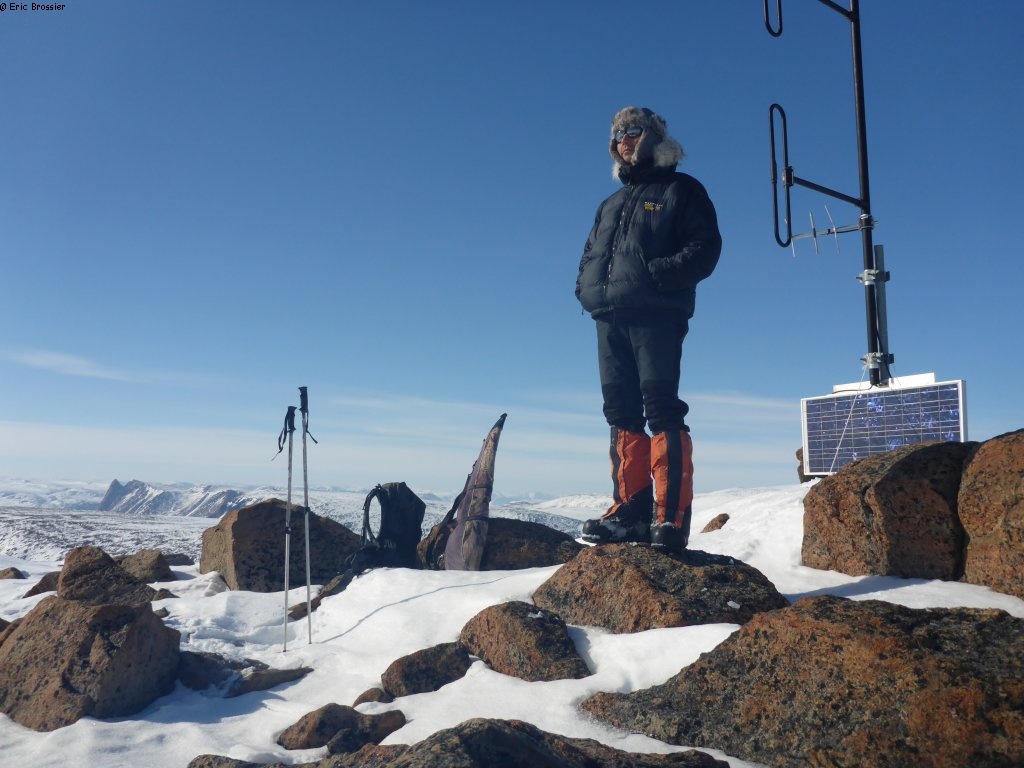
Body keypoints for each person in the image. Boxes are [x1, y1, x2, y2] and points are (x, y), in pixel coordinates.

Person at [576, 106, 721, 552]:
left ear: (653, 137)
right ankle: (630, 512)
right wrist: (585, 288)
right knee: (620, 411)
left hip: (657, 315)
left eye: (633, 130)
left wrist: (657, 276)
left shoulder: (682, 190)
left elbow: (705, 247)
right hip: (608, 316)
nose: (623, 139)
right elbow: (589, 255)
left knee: (661, 409)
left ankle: (669, 517)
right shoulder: (610, 204)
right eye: (617, 133)